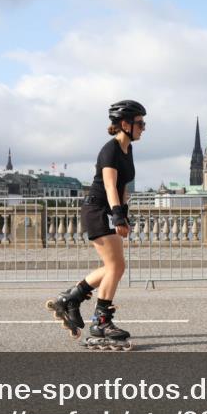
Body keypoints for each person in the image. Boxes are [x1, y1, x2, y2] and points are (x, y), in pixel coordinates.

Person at [46, 99, 145, 350]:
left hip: (107, 210)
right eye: (140, 123)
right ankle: (101, 322)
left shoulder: (127, 150)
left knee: (114, 267)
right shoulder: (109, 150)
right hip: (97, 209)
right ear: (125, 124)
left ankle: (71, 298)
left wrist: (124, 214)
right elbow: (110, 185)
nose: (143, 128)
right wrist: (117, 216)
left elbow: (122, 188)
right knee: (116, 266)